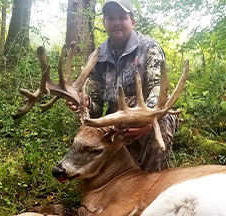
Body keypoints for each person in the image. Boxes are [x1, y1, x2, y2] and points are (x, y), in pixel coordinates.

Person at [68, 0, 178, 172]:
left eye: (122, 17)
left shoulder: (149, 47)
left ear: (132, 22)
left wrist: (147, 121)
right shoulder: (98, 56)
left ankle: (152, 183)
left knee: (162, 122)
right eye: (111, 18)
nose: (116, 23)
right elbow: (96, 109)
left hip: (149, 115)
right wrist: (86, 104)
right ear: (104, 23)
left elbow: (159, 88)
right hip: (116, 122)